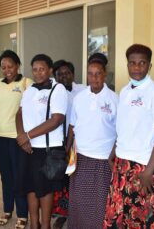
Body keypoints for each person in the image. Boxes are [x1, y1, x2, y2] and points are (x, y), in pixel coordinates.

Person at [104, 44, 154, 228]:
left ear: (149, 66)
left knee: (143, 220)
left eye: (142, 63)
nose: (137, 68)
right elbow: (124, 127)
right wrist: (113, 154)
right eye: (132, 63)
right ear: (127, 65)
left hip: (146, 166)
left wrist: (148, 171)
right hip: (122, 164)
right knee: (120, 218)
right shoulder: (124, 92)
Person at [16, 54, 68, 229]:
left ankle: (45, 225)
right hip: (28, 148)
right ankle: (34, 223)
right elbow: (19, 114)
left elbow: (56, 119)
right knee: (30, 187)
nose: (38, 73)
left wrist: (27, 135)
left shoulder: (57, 89)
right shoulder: (30, 89)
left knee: (45, 189)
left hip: (47, 149)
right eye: (35, 69)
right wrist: (22, 137)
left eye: (42, 69)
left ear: (50, 70)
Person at [68, 53, 118, 229]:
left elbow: (120, 132)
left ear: (105, 75)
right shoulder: (79, 98)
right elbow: (72, 127)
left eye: (98, 73)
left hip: (102, 161)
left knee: (99, 205)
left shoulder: (114, 99)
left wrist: (112, 156)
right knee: (79, 203)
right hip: (80, 158)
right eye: (90, 73)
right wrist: (68, 152)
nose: (94, 77)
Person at [0, 50, 32, 228]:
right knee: (5, 176)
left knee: (19, 177)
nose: (7, 70)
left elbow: (30, 111)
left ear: (18, 65)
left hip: (17, 138)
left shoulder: (27, 83)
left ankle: (22, 214)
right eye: (3, 67)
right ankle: (7, 209)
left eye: (10, 66)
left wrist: (27, 136)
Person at [51, 60, 85, 229]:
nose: (64, 76)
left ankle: (76, 212)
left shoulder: (83, 91)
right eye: (60, 74)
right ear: (55, 77)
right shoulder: (53, 92)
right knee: (60, 178)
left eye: (67, 73)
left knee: (74, 177)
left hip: (77, 143)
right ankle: (61, 214)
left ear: (73, 74)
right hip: (58, 141)